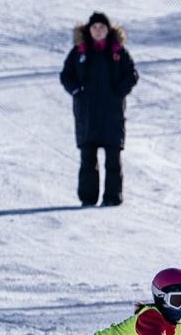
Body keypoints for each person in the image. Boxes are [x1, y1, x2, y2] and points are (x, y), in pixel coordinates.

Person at [59, 11, 139, 207]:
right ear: (89, 29)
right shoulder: (79, 51)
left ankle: (112, 198)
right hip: (87, 114)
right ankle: (88, 198)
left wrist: (118, 92)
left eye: (101, 27)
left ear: (108, 29)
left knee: (113, 158)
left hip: (112, 113)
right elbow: (65, 75)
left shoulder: (118, 52)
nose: (98, 30)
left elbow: (132, 74)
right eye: (94, 27)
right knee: (88, 158)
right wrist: (77, 90)